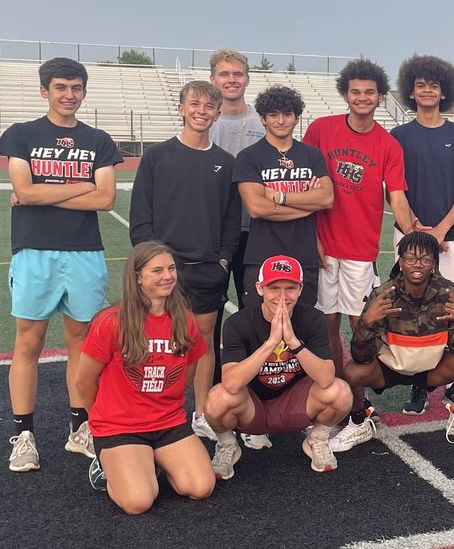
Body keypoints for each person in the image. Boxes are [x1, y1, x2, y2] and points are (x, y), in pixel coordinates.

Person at [0, 57, 123, 472]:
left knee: (82, 344)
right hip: (35, 251)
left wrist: (42, 190)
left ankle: (80, 429)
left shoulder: (99, 140)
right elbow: (23, 191)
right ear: (44, 91)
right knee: (28, 343)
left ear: (84, 92)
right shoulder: (21, 135)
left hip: (85, 251)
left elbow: (106, 200)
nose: (69, 95)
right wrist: (83, 183)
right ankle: (24, 435)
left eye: (76, 88)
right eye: (60, 87)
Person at [302, 59, 416, 419]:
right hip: (322, 244)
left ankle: (358, 393)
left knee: (360, 325)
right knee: (325, 323)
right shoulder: (321, 130)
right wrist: (311, 236)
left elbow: (396, 196)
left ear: (380, 97)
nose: (362, 98)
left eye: (370, 92)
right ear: (346, 95)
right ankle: (335, 388)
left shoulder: (387, 144)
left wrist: (414, 233)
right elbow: (304, 185)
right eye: (356, 92)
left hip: (359, 249)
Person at [129, 80, 240, 444]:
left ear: (218, 113)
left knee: (204, 341)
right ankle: (155, 410)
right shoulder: (157, 157)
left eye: (209, 106)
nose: (201, 111)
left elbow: (230, 219)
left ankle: (202, 412)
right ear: (181, 109)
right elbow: (140, 215)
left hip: (207, 270)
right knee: (159, 342)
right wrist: (152, 265)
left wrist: (223, 260)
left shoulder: (225, 163)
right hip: (165, 271)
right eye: (194, 104)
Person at [75, 242, 214, 515]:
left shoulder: (184, 320)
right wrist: (103, 417)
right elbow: (83, 382)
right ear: (137, 277)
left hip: (167, 422)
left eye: (171, 269)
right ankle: (110, 466)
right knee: (139, 502)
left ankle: (149, 461)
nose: (168, 276)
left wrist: (163, 399)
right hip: (120, 427)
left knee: (201, 488)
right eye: (157, 270)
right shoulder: (111, 321)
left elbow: (187, 373)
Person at [341, 232, 454, 445]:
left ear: (434, 263)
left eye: (426, 259)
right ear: (400, 262)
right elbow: (361, 356)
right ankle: (359, 423)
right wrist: (367, 323)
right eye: (410, 259)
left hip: (431, 368)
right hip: (390, 368)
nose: (418, 265)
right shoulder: (384, 294)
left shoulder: (448, 292)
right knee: (352, 372)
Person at [389, 55, 454, 415]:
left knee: (452, 306)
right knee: (411, 308)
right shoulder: (398, 136)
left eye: (434, 85)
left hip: (452, 235)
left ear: (445, 92)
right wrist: (416, 230)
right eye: (420, 85)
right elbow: (394, 189)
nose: (427, 90)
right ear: (411, 92)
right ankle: (418, 384)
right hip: (409, 235)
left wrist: (441, 229)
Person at [204, 255, 353, 479]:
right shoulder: (238, 322)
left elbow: (326, 379)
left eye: (290, 288)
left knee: (340, 392)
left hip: (295, 405)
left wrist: (293, 342)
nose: (282, 296)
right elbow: (231, 383)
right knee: (217, 399)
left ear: (300, 289)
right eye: (274, 288)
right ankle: (228, 445)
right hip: (252, 409)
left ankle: (317, 439)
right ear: (260, 288)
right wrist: (271, 343)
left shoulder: (313, 319)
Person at [233, 85, 333, 310]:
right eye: (273, 115)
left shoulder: (311, 155)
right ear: (263, 119)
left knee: (300, 329)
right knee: (258, 329)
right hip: (261, 255)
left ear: (296, 119)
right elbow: (257, 207)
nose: (281, 121)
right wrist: (307, 205)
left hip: (303, 256)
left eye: (287, 114)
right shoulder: (249, 157)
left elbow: (326, 198)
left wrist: (280, 197)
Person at [210, 49, 266, 310]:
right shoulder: (203, 120)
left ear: (247, 79)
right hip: (214, 230)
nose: (231, 79)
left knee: (253, 305)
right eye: (224, 74)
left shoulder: (264, 121)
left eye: (237, 74)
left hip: (254, 229)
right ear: (213, 80)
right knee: (210, 306)